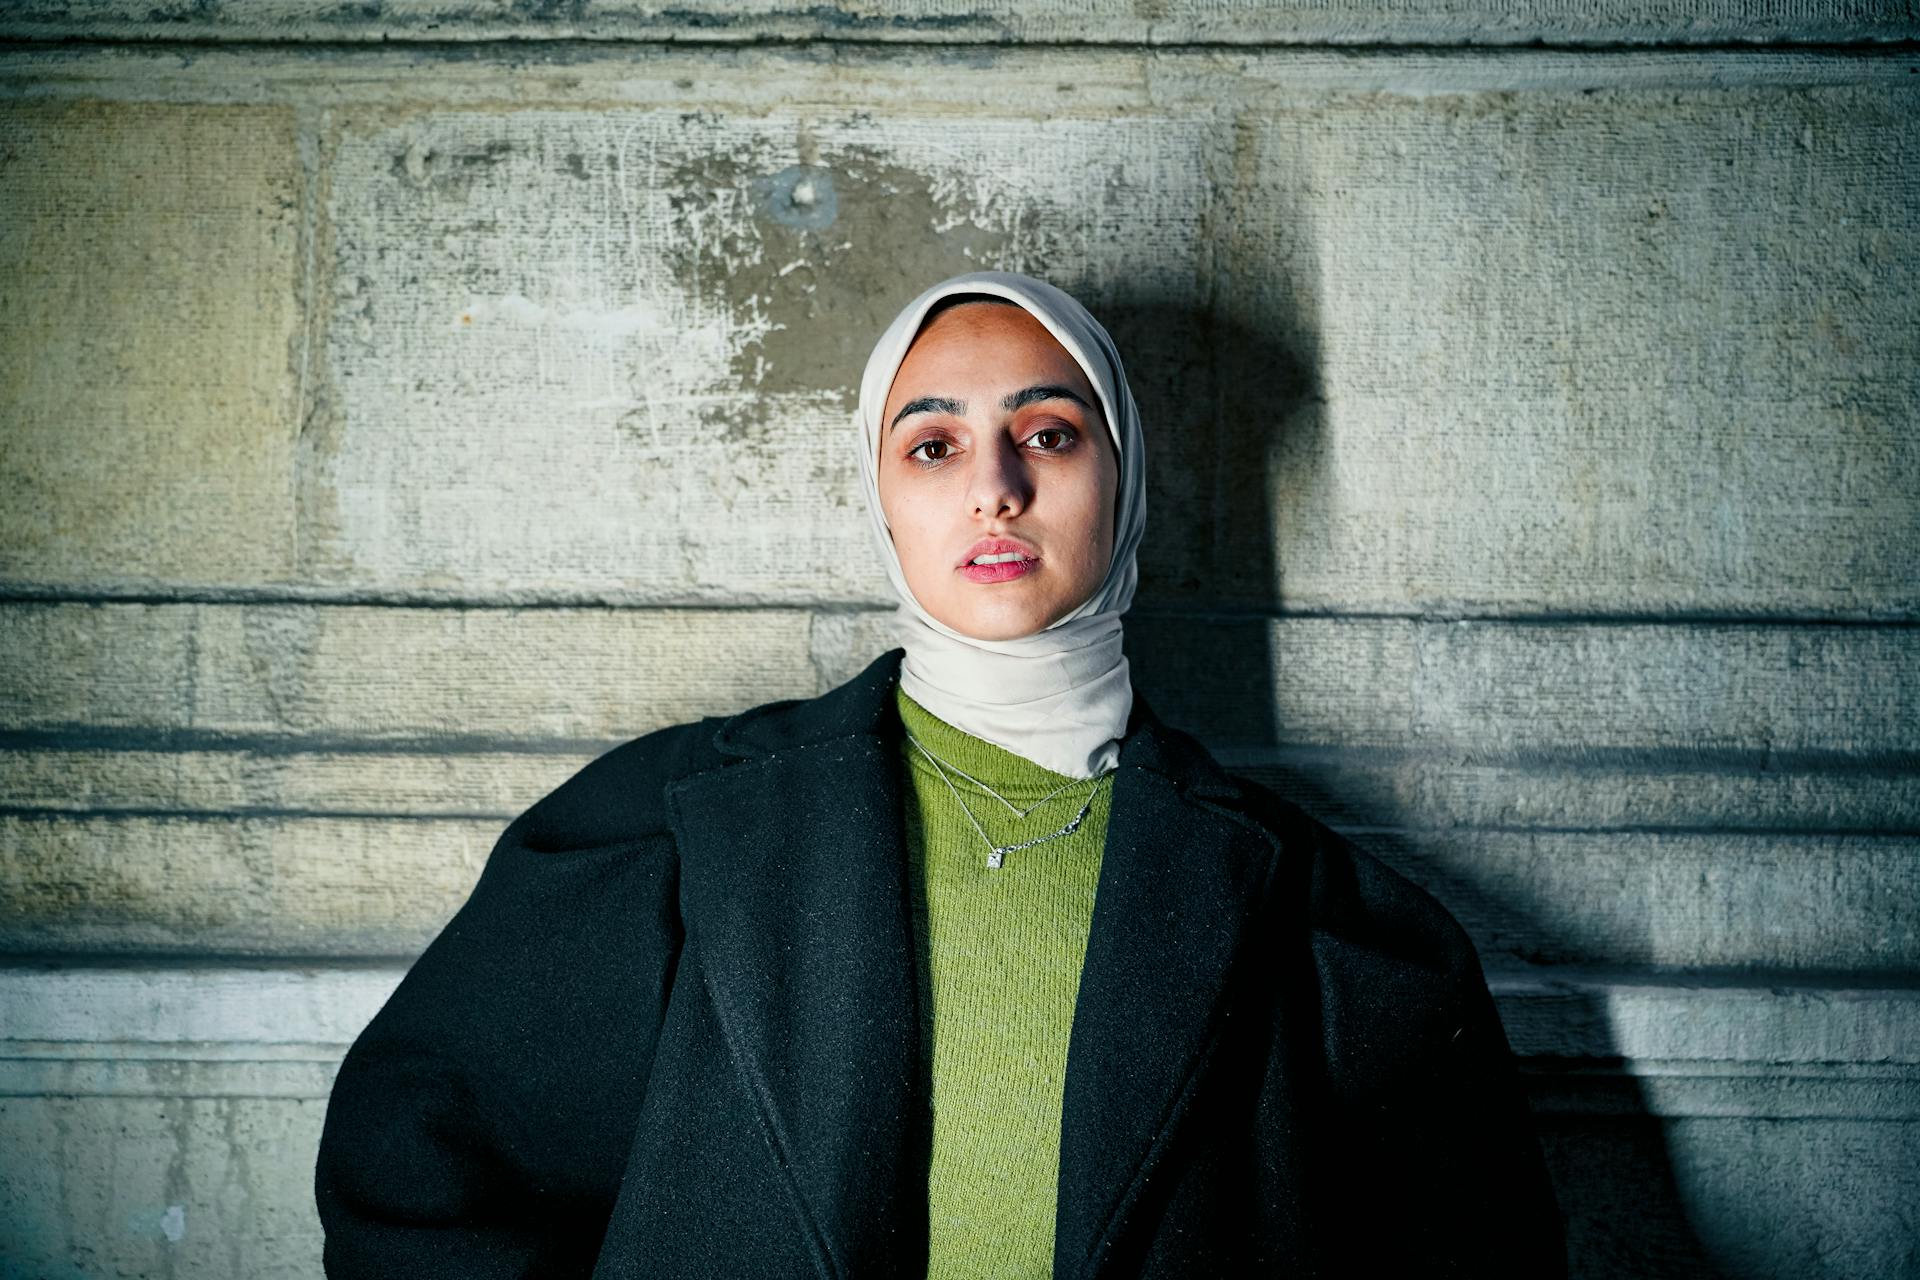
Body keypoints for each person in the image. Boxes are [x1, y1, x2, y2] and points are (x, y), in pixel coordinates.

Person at [315, 271, 1564, 1277]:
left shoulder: (1317, 915)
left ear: (1122, 481)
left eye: (1049, 434)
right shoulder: (679, 830)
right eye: (932, 447)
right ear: (880, 496)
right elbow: (419, 1164)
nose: (995, 488)